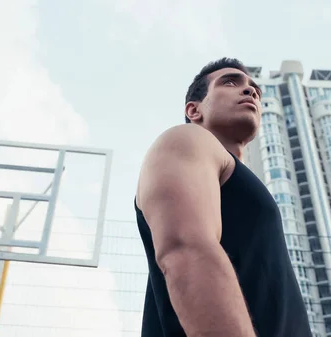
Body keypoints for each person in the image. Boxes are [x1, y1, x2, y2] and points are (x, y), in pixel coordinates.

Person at [134, 57, 312, 336]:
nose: (250, 90)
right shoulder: (186, 139)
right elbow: (186, 250)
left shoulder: (240, 182)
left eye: (255, 89)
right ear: (194, 110)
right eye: (230, 82)